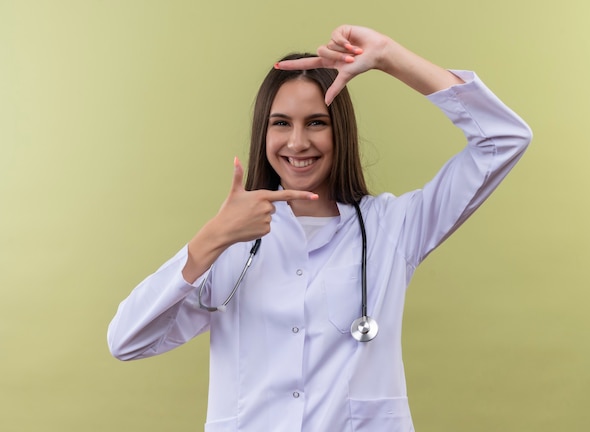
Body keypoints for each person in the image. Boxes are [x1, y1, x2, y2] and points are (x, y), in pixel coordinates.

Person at [108, 25, 532, 432]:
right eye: (281, 123)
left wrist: (389, 57)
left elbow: (504, 137)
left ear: (339, 131)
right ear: (263, 133)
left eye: (316, 122)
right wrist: (214, 236)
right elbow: (127, 341)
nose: (297, 143)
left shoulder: (392, 228)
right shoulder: (230, 246)